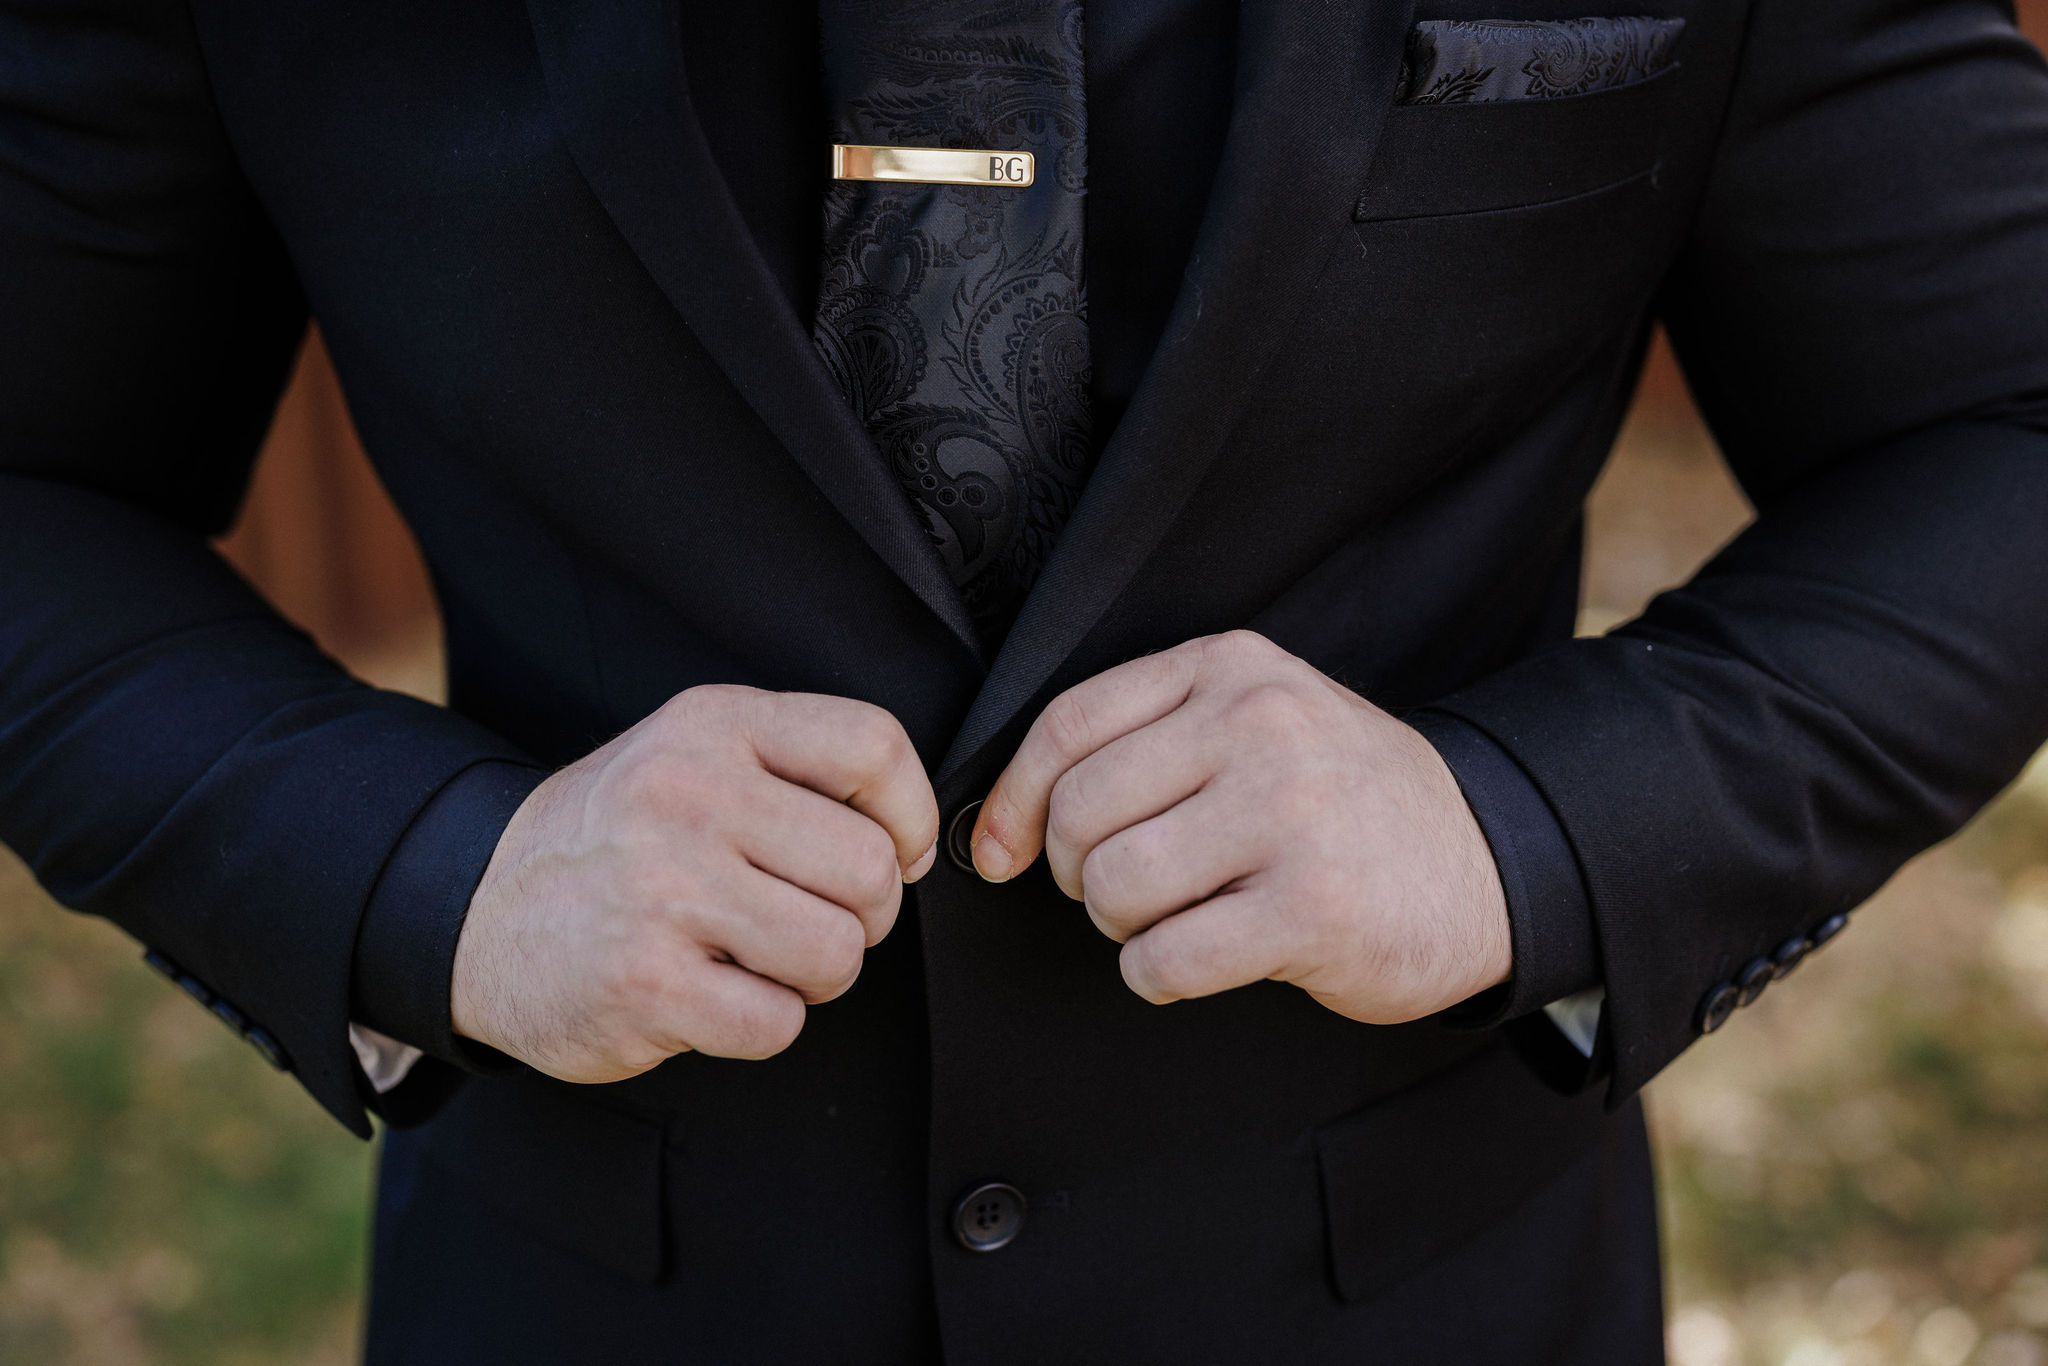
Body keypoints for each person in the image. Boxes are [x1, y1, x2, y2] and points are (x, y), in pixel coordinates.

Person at [3, 0, 2046, 1360]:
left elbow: (2002, 416)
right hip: (597, 1287)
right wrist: (427, 870)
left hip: (1421, 1287)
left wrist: (1528, 823)